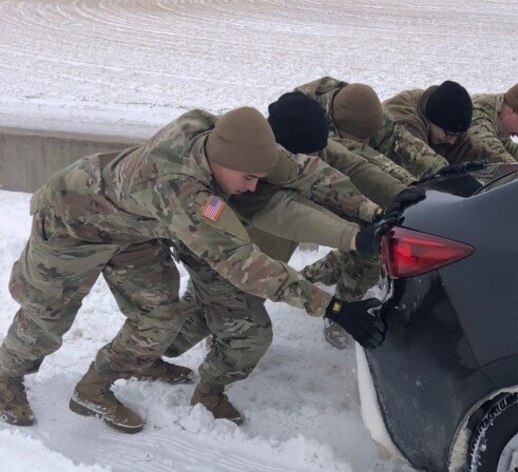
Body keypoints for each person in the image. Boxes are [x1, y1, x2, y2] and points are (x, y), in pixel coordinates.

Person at [0, 107, 386, 432]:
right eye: (247, 179)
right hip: (73, 221)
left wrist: (372, 212)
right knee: (46, 318)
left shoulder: (224, 137)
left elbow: (305, 172)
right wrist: (334, 308)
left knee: (159, 316)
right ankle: (5, 378)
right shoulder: (184, 194)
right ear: (223, 163)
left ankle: (93, 388)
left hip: (135, 228)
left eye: (258, 178)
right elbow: (244, 265)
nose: (252, 189)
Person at [165, 93, 400, 373]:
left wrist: (405, 195)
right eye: (307, 155)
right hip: (231, 262)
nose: (315, 159)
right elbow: (289, 215)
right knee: (194, 324)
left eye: (317, 152)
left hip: (264, 267)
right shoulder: (247, 178)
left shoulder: (307, 150)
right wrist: (335, 303)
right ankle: (142, 358)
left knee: (240, 311)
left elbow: (356, 167)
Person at [293, 77, 414, 207]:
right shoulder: (302, 128)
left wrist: (410, 184)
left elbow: (400, 141)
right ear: (337, 126)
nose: (366, 143)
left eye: (370, 137)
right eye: (361, 138)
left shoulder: (361, 109)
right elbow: (355, 161)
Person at [370, 80, 496, 181]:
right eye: (450, 135)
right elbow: (421, 165)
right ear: (433, 119)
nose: (452, 141)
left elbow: (471, 148)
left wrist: (506, 169)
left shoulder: (437, 110)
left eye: (457, 135)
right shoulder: (407, 124)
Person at [469, 83, 518, 162]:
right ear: (512, 110)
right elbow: (492, 151)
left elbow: (514, 151)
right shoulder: (479, 113)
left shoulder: (498, 118)